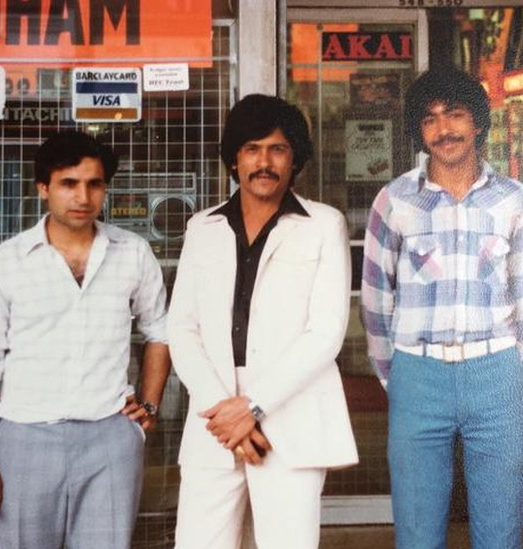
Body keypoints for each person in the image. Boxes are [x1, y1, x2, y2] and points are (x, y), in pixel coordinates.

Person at [0, 130, 170, 549]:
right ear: (44, 189)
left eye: (94, 184)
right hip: (25, 438)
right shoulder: (5, 263)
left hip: (110, 437)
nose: (83, 196)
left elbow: (160, 329)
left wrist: (149, 404)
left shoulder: (132, 252)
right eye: (68, 184)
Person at [168, 94, 358, 549]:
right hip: (214, 412)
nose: (264, 162)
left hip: (290, 407)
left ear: (296, 160)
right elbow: (182, 327)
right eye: (252, 148)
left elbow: (326, 332)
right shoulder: (202, 228)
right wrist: (224, 410)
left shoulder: (324, 225)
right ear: (234, 158)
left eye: (278, 149)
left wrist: (252, 407)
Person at [361, 67, 523, 549]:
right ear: (419, 130)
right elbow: (375, 299)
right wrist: (394, 376)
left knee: (500, 533)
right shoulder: (394, 199)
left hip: (496, 372)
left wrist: (516, 367)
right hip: (418, 375)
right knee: (417, 532)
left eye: (455, 114)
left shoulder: (512, 199)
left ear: (477, 122)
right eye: (430, 119)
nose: (444, 130)